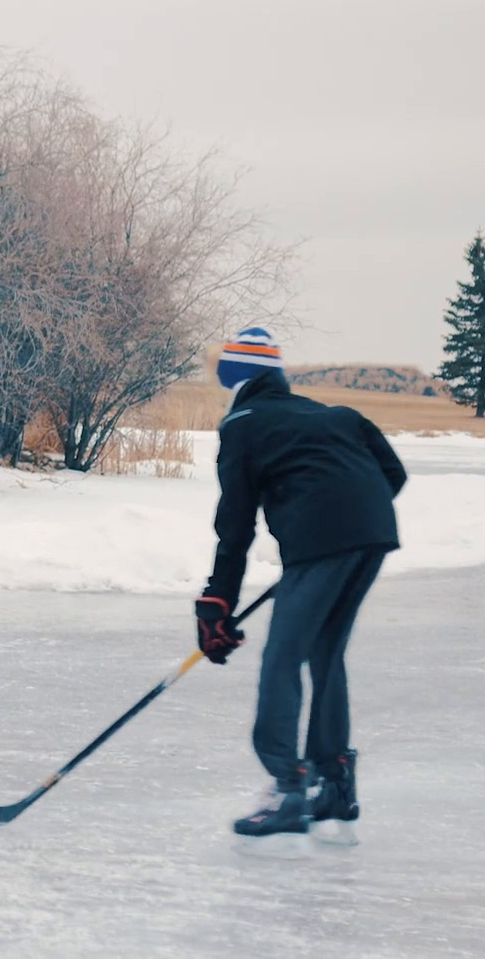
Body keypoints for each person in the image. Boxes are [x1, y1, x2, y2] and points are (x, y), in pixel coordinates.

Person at [194, 327, 406, 856]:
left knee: (283, 657)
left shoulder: (242, 424)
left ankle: (288, 787)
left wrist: (216, 602)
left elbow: (235, 525)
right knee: (324, 654)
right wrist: (342, 512)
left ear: (236, 379)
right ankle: (333, 784)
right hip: (372, 535)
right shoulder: (334, 414)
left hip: (324, 544)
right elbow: (392, 474)